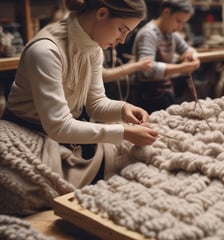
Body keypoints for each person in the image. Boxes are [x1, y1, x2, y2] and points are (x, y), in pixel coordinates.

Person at [0, 0, 158, 211]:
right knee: (28, 184)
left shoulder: (93, 49)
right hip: (26, 135)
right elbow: (59, 127)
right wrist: (123, 131)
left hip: (62, 137)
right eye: (122, 29)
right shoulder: (46, 51)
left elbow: (96, 104)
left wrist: (122, 109)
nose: (122, 40)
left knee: (127, 157)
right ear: (101, 14)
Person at [132, 0, 200, 114]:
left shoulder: (171, 34)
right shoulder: (149, 34)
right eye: (178, 21)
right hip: (148, 95)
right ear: (166, 12)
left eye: (183, 23)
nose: (179, 27)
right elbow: (148, 69)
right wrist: (182, 68)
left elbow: (189, 49)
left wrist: (191, 54)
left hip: (164, 91)